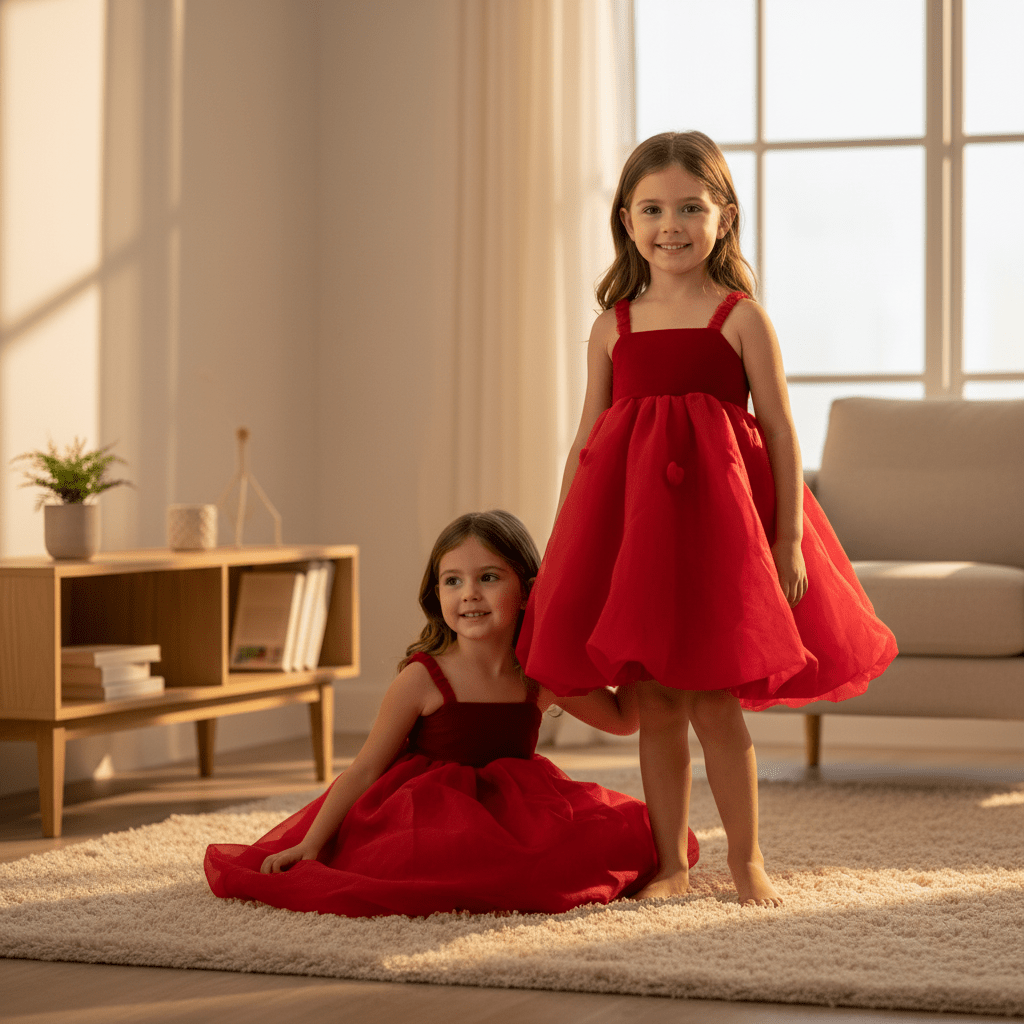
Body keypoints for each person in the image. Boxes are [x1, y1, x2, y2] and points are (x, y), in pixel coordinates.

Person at [516, 131, 898, 908]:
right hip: (637, 542)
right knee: (655, 703)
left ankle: (746, 862)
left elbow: (783, 431)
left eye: (691, 207)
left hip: (721, 539)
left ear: (723, 216)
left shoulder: (741, 318)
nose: (672, 224)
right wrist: (563, 543)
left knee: (715, 703)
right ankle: (671, 864)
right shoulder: (612, 326)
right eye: (653, 208)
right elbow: (587, 441)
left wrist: (787, 536)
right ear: (627, 220)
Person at [205, 510, 697, 918]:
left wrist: (637, 639)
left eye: (488, 578)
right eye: (453, 580)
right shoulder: (422, 678)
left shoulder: (538, 674)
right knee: (428, 867)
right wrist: (311, 844)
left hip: (518, 809)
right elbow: (364, 769)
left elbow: (622, 718)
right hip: (427, 813)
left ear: (527, 591)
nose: (470, 594)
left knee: (623, 838)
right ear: (436, 594)